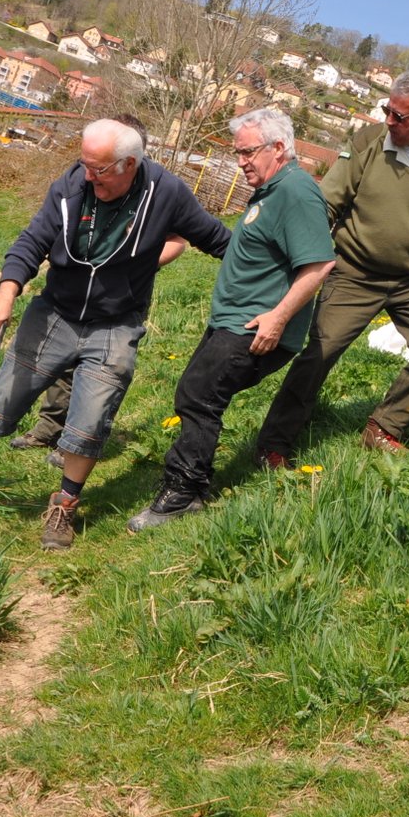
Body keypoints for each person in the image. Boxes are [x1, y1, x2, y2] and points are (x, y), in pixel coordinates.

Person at [0, 117, 230, 550]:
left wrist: (268, 281)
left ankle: (64, 506)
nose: (88, 176)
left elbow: (218, 240)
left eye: (99, 168)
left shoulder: (166, 193)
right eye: (84, 164)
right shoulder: (70, 186)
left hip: (116, 323)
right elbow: (32, 241)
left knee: (90, 420)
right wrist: (6, 293)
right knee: (3, 400)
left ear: (129, 164)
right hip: (55, 312)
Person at [253, 68, 409, 463]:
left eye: (399, 116)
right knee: (320, 353)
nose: (388, 120)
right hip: (354, 270)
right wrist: (299, 254)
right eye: (387, 110)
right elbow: (327, 202)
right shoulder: (369, 141)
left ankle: (384, 426)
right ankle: (274, 443)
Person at [126, 108, 335, 532]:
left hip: (256, 326)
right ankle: (192, 485)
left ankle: (182, 493)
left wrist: (277, 318)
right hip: (235, 320)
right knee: (198, 393)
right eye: (237, 153)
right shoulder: (271, 191)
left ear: (279, 148)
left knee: (199, 395)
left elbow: (318, 265)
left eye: (247, 152)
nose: (240, 162)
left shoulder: (296, 191)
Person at [9, 114, 186, 451]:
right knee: (62, 361)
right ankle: (49, 428)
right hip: (73, 293)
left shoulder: (156, 192)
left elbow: (179, 240)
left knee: (101, 371)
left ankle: (74, 446)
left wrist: (139, 262)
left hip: (121, 298)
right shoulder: (86, 182)